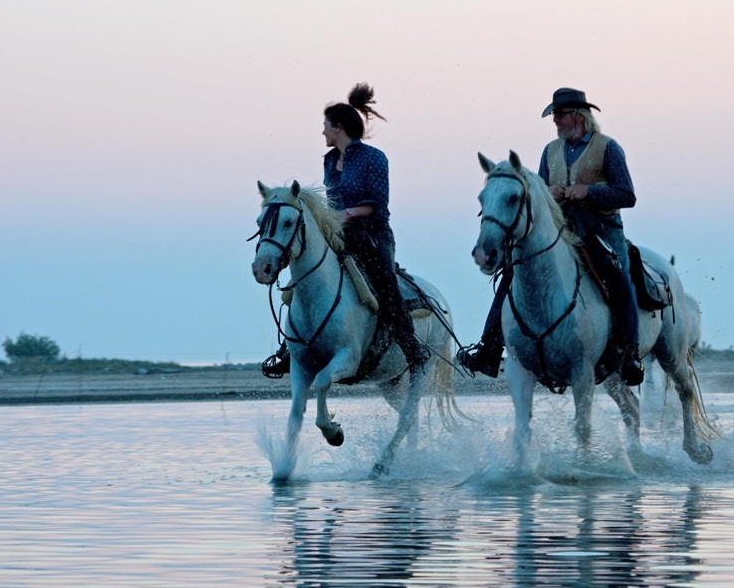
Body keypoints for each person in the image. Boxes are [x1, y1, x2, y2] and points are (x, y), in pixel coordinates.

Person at [458, 87, 645, 386]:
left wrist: (589, 191)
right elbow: (541, 195)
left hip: (602, 228)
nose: (555, 121)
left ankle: (630, 352)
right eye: (554, 116)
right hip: (564, 225)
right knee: (512, 270)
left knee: (617, 273)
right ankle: (490, 346)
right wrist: (551, 193)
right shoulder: (551, 151)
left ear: (578, 115)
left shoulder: (608, 148)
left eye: (559, 115)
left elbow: (627, 195)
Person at [262, 83, 431, 378]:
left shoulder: (374, 158)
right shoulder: (329, 160)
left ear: (338, 128)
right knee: (304, 275)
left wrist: (347, 213)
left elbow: (379, 204)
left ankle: (410, 345)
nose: (323, 133)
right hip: (338, 232)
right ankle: (291, 349)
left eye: (325, 127)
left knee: (386, 280)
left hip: (373, 232)